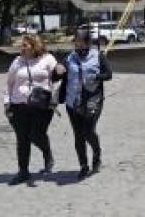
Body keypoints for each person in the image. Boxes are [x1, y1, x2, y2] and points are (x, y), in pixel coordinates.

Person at [56, 28, 113, 180]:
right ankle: (83, 165)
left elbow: (109, 75)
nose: (78, 44)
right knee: (78, 135)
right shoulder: (70, 57)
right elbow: (58, 74)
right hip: (73, 101)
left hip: (93, 99)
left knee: (88, 130)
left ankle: (97, 152)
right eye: (76, 41)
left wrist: (96, 76)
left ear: (88, 41)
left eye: (80, 41)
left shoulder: (98, 56)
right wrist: (58, 70)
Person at [3, 34, 58, 186]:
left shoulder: (48, 59)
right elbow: (9, 83)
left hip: (42, 105)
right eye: (22, 45)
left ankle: (47, 154)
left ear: (35, 46)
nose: (22, 47)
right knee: (22, 139)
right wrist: (7, 103)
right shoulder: (17, 62)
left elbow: (57, 79)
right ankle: (23, 171)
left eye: (25, 45)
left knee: (36, 134)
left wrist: (54, 99)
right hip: (18, 105)